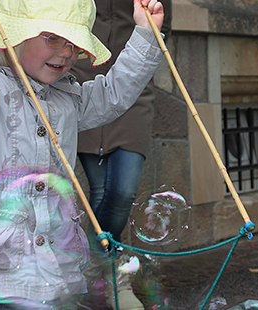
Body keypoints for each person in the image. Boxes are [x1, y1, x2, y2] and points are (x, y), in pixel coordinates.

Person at [0, 0, 164, 309]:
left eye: (75, 46)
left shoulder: (68, 97)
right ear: (15, 34)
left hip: (58, 268)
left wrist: (146, 33)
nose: (66, 53)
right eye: (53, 38)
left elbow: (113, 94)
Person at [70, 1, 172, 309]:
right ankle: (112, 278)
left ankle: (98, 271)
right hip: (81, 79)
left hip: (133, 82)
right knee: (100, 190)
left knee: (123, 191)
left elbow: (162, 24)